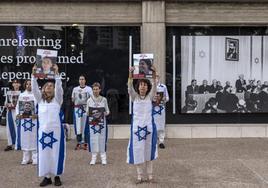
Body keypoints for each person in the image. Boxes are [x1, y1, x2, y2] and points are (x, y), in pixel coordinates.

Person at [32, 64, 65, 187]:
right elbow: (34, 89)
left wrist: (56, 74)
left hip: (56, 133)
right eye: (47, 86)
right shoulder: (40, 101)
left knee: (55, 153)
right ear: (43, 89)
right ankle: (47, 177)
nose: (50, 87)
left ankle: (56, 176)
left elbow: (59, 89)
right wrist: (34, 75)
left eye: (52, 86)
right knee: (44, 154)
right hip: (43, 132)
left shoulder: (58, 100)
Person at [127, 66, 157, 184]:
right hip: (137, 130)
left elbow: (154, 86)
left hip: (149, 129)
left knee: (149, 152)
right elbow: (129, 87)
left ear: (147, 87)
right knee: (138, 151)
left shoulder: (150, 97)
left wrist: (154, 73)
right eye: (141, 85)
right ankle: (139, 176)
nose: (143, 87)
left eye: (145, 85)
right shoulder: (135, 98)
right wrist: (130, 74)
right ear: (138, 87)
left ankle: (150, 176)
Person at [86, 82, 110, 165]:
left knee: (102, 139)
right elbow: (86, 112)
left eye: (97, 89)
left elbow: (108, 111)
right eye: (94, 89)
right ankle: (93, 158)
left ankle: (103, 158)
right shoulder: (89, 100)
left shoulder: (104, 99)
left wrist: (103, 113)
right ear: (92, 90)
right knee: (93, 140)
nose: (95, 91)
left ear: (100, 89)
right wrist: (91, 113)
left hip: (102, 123)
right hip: (93, 123)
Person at [15, 80, 37, 165]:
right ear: (25, 85)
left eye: (30, 84)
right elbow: (17, 106)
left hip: (33, 120)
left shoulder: (36, 95)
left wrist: (37, 114)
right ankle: (26, 158)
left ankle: (35, 158)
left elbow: (39, 106)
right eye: (27, 84)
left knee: (33, 138)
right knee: (25, 139)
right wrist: (18, 114)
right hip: (24, 120)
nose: (29, 85)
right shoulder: (22, 95)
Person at [72, 75, 92, 150]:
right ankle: (79, 141)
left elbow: (91, 99)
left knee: (85, 125)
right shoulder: (75, 89)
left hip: (85, 108)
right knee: (78, 125)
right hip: (77, 109)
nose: (81, 80)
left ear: (85, 80)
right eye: (80, 79)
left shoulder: (89, 89)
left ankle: (85, 142)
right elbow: (73, 99)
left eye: (83, 79)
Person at [152, 74, 169, 149]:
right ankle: (153, 141)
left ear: (159, 78)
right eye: (155, 77)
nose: (156, 78)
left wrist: (164, 98)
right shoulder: (150, 86)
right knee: (153, 124)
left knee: (161, 125)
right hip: (153, 108)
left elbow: (167, 97)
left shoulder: (163, 87)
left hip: (161, 108)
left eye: (157, 77)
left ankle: (161, 141)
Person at [4, 79, 21, 151]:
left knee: (18, 127)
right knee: (9, 128)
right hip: (10, 112)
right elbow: (5, 103)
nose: (16, 84)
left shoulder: (22, 93)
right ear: (12, 84)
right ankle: (10, 144)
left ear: (19, 84)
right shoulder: (9, 93)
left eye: (17, 83)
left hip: (18, 112)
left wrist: (16, 106)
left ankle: (19, 143)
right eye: (14, 83)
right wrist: (7, 105)